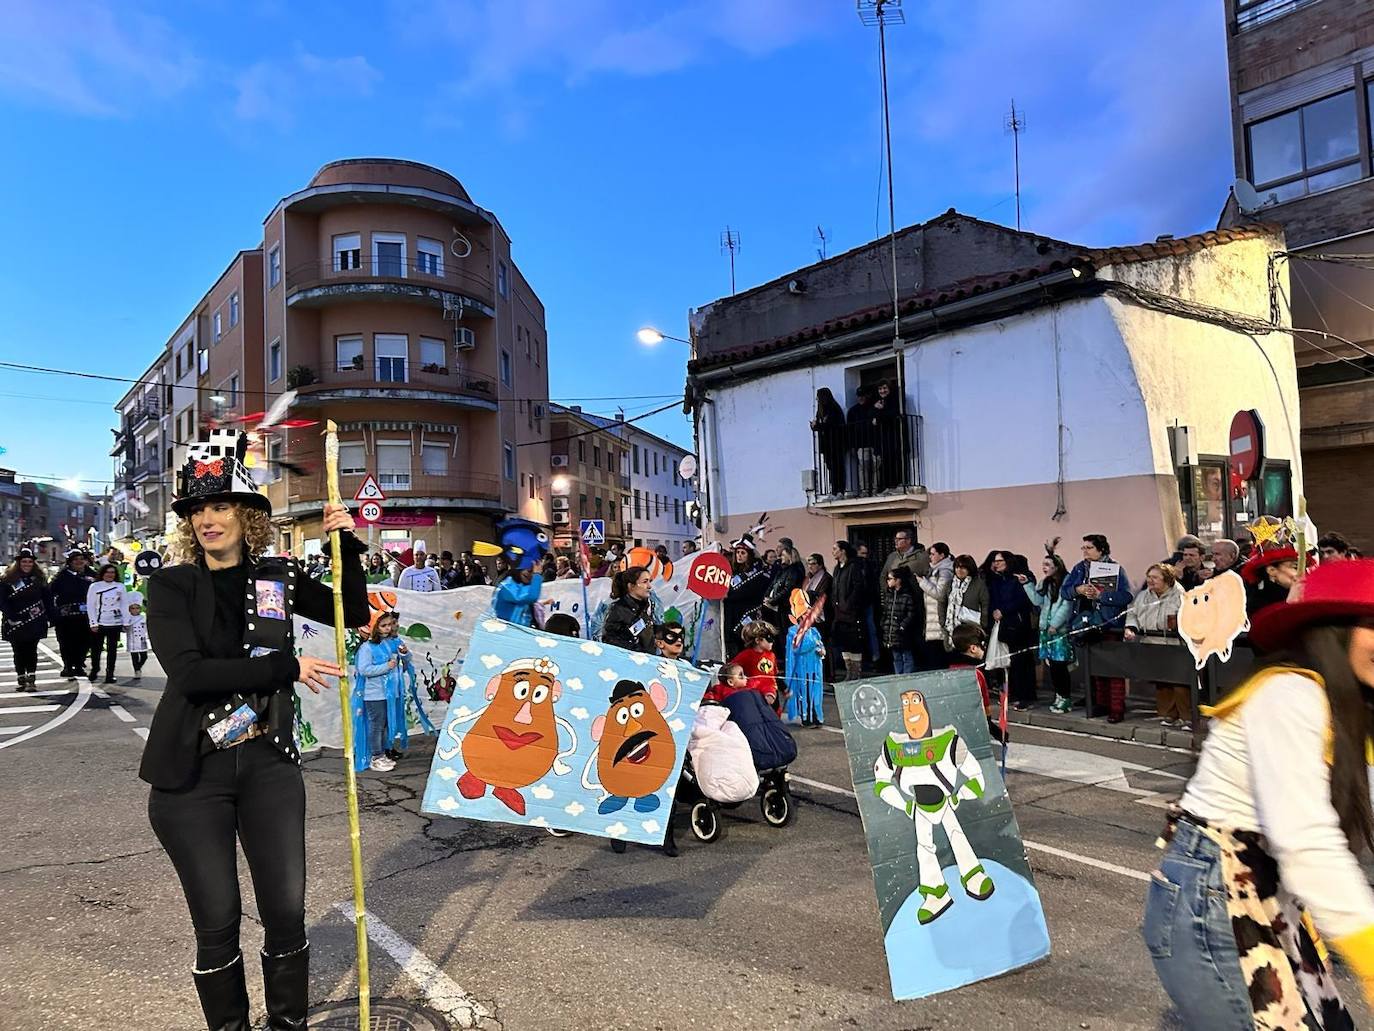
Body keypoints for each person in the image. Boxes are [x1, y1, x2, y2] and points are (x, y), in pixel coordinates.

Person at [140, 430, 367, 1031]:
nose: (207, 520)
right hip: (192, 778)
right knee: (217, 923)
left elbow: (351, 609)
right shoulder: (170, 585)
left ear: (247, 516)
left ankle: (289, 1025)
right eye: (197, 510)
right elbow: (190, 674)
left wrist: (345, 542)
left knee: (286, 914)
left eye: (220, 506)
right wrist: (285, 667)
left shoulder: (276, 578)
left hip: (270, 766)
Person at [1143, 559, 1374, 1028]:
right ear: (1334, 630)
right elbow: (1306, 840)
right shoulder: (1288, 693)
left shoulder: (1353, 706)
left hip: (1268, 890)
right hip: (1217, 891)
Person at [1061, 534, 1133, 722]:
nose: (1085, 551)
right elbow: (1064, 592)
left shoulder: (1115, 569)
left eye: (1089, 548)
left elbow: (1126, 596)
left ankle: (1117, 708)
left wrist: (1101, 596)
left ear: (1101, 550)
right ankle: (1102, 703)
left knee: (1113, 669)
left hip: (1108, 624)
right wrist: (1077, 590)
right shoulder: (1079, 568)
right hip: (1086, 624)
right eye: (1083, 548)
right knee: (1096, 668)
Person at [1124, 563, 1189, 728]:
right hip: (1152, 644)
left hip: (1174, 645)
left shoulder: (1181, 596)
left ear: (1167, 579)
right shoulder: (1143, 596)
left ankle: (1186, 717)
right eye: (1148, 577)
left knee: (1179, 683)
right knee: (1162, 682)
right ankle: (1168, 715)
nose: (1150, 580)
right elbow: (1132, 613)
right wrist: (1131, 628)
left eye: (1154, 577)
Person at [353, 611, 413, 773]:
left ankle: (384, 751)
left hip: (391, 693)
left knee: (386, 723)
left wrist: (405, 653)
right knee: (377, 725)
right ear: (374, 627)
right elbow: (364, 670)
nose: (388, 628)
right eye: (383, 625)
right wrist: (386, 666)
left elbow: (406, 661)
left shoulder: (393, 642)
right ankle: (376, 757)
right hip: (375, 694)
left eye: (390, 625)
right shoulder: (367, 647)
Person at [1023, 543, 1073, 714]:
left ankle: (1065, 697)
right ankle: (1059, 695)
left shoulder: (1066, 583)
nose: (1044, 568)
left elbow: (1066, 606)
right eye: (1043, 564)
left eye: (1047, 565)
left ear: (1056, 567)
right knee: (1052, 665)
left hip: (1059, 631)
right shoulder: (1047, 583)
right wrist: (1027, 585)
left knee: (1060, 665)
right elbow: (1038, 601)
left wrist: (1055, 624)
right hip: (1046, 630)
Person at [983, 550, 1036, 710]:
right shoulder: (998, 580)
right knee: (1008, 662)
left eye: (1000, 561)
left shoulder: (1019, 578)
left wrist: (1003, 610)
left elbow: (1023, 600)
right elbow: (994, 599)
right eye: (995, 561)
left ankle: (1026, 696)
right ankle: (1012, 693)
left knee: (1021, 662)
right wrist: (995, 611)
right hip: (1003, 625)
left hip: (1018, 625)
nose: (996, 564)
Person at [1, 548, 51, 692]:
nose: (27, 564)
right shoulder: (7, 580)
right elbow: (2, 601)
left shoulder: (39, 579)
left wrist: (51, 616)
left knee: (31, 649)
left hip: (35, 620)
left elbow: (47, 599)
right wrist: (11, 615)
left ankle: (31, 679)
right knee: (18, 650)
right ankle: (21, 677)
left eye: (30, 561)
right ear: (18, 563)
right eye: (24, 561)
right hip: (14, 620)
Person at [50, 547, 95, 679]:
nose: (79, 562)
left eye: (81, 559)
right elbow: (50, 592)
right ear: (70, 562)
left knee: (85, 641)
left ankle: (79, 664)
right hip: (66, 616)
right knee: (66, 642)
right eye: (75, 560)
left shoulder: (92, 575)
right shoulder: (61, 576)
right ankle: (68, 666)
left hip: (86, 615)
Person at [782, 589, 825, 727]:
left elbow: (821, 645)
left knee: (815, 695)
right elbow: (797, 647)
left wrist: (822, 650)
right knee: (804, 695)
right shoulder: (793, 631)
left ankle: (817, 717)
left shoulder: (814, 631)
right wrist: (813, 643)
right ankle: (806, 718)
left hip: (815, 669)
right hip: (802, 671)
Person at [830, 541, 867, 681]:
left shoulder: (853, 566)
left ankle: (856, 673)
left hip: (852, 613)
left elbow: (858, 588)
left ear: (843, 551)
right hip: (839, 613)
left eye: (835, 549)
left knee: (854, 643)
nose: (833, 552)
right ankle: (849, 672)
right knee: (844, 642)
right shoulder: (837, 568)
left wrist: (848, 604)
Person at [913, 543, 953, 672]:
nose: (930, 557)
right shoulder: (933, 570)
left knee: (938, 658)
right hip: (931, 620)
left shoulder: (945, 571)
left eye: (933, 554)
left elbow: (940, 594)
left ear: (942, 555)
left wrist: (922, 582)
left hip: (938, 621)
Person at [87, 562, 127, 685]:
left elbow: (124, 604)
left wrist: (126, 621)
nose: (110, 575)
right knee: (96, 649)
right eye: (107, 572)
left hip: (115, 621)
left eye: (112, 572)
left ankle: (110, 673)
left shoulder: (120, 586)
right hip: (100, 622)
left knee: (112, 649)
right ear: (102, 573)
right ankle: (95, 669)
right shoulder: (95, 586)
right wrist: (93, 622)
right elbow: (91, 605)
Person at [600, 566, 655, 653]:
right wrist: (635, 651)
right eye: (645, 582)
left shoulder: (648, 606)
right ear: (631, 586)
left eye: (650, 581)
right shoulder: (617, 610)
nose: (649, 586)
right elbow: (609, 639)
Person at [944, 554, 990, 648]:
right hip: (951, 627)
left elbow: (985, 604)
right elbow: (943, 602)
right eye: (957, 567)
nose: (959, 570)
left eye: (963, 568)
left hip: (972, 627)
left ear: (970, 569)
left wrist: (983, 623)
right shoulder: (950, 584)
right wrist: (942, 620)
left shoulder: (979, 584)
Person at [730, 621, 779, 708]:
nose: (772, 641)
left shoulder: (772, 655)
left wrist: (784, 688)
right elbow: (731, 670)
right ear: (758, 640)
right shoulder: (745, 655)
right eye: (769, 638)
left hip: (771, 690)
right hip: (754, 693)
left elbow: (775, 674)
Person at [880, 566, 919, 674]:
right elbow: (885, 612)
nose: (888, 581)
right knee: (896, 656)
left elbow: (911, 613)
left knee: (906, 655)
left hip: (903, 631)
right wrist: (884, 624)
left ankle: (906, 675)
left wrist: (902, 626)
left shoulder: (907, 596)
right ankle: (898, 676)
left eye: (890, 579)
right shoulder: (889, 595)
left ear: (898, 580)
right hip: (891, 631)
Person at [811, 386, 847, 494]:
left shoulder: (834, 409)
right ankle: (834, 490)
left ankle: (839, 490)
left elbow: (830, 425)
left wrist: (818, 425)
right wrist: (815, 426)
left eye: (818, 398)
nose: (817, 400)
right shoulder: (821, 411)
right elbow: (821, 424)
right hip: (827, 445)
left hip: (836, 443)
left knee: (837, 467)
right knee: (831, 468)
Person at [846, 384, 880, 492]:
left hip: (875, 442)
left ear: (867, 396)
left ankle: (875, 489)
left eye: (863, 395)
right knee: (863, 467)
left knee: (876, 466)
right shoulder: (853, 411)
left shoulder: (874, 408)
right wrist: (852, 445)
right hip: (861, 444)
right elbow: (850, 430)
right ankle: (864, 490)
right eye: (859, 396)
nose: (861, 398)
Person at [124, 594, 149, 681]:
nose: (135, 610)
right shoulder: (127, 618)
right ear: (129, 609)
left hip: (142, 640)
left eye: (137, 608)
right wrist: (125, 627)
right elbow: (123, 629)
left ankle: (138, 667)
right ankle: (137, 671)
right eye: (133, 608)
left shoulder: (143, 617)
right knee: (134, 657)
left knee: (144, 656)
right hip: (132, 640)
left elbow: (147, 628)